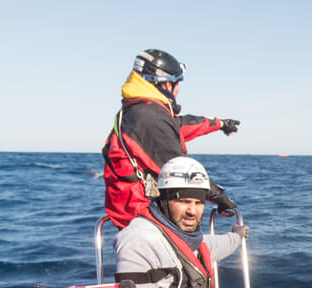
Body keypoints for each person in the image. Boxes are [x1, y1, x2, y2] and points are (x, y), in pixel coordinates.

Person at [102, 49, 241, 228]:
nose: (179, 89)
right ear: (166, 85)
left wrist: (220, 124)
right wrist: (220, 198)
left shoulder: (142, 111)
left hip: (135, 211)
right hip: (142, 217)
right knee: (197, 250)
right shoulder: (148, 118)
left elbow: (180, 126)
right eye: (177, 83)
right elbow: (182, 171)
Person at [114, 156, 247, 288]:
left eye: (199, 203)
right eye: (183, 201)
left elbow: (207, 246)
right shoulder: (140, 241)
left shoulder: (186, 236)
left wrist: (237, 237)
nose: (192, 211)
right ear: (163, 201)